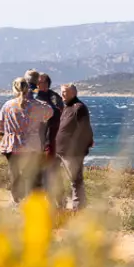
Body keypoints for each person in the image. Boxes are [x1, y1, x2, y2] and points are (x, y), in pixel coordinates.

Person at [0, 77, 53, 205]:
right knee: (30, 174)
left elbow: (0, 124)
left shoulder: (8, 105)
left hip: (12, 145)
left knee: (15, 174)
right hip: (31, 145)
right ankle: (30, 202)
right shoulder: (37, 105)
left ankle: (16, 200)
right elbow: (50, 113)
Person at [55, 83, 94, 211]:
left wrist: (84, 147)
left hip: (72, 152)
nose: (62, 94)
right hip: (59, 150)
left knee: (75, 180)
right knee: (55, 177)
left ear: (73, 93)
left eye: (65, 92)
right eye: (61, 91)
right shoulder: (66, 106)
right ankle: (60, 204)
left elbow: (85, 129)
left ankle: (79, 208)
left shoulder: (79, 107)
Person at [35, 73, 64, 195]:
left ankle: (57, 197)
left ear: (46, 84)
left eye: (39, 82)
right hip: (35, 141)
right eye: (36, 82)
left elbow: (59, 115)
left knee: (51, 169)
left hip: (49, 140)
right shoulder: (33, 96)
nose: (37, 84)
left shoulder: (54, 98)